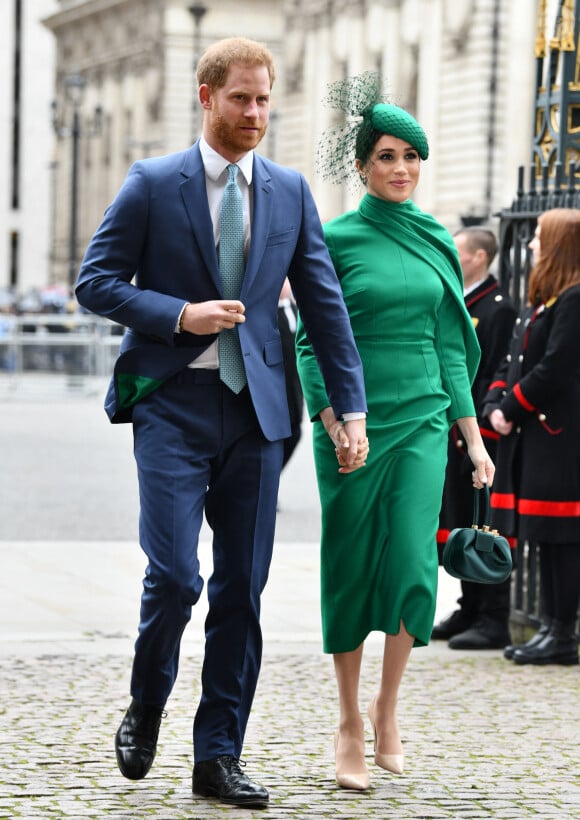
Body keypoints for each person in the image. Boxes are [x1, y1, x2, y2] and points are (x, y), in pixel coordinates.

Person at [75, 37, 368, 810]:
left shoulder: (290, 190)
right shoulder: (151, 184)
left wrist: (351, 407)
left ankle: (219, 755)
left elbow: (325, 306)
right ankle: (146, 703)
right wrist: (179, 314)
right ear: (207, 97)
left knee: (243, 590)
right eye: (241, 98)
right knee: (174, 578)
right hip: (172, 405)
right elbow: (95, 282)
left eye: (265, 98)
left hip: (258, 415)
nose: (256, 113)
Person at [295, 74, 495, 792]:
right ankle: (348, 718)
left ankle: (388, 707)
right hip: (350, 425)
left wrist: (472, 441)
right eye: (386, 156)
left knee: (412, 566)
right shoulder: (332, 239)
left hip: (423, 424)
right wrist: (330, 416)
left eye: (411, 156)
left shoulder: (437, 234)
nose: (401, 169)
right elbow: (310, 341)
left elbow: (449, 347)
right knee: (352, 564)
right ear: (361, 166)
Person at [483, 208, 580, 666]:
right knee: (542, 535)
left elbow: (556, 367)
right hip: (536, 439)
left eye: (540, 237)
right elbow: (513, 360)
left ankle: (562, 631)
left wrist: (511, 408)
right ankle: (548, 626)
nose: (532, 244)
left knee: (561, 537)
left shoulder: (575, 300)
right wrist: (496, 404)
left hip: (559, 441)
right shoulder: (547, 299)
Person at [432, 227, 517, 649]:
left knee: (484, 519)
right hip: (454, 428)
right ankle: (469, 605)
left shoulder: (498, 307)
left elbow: (488, 372)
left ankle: (492, 613)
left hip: (477, 433)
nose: (452, 254)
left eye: (459, 250)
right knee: (461, 518)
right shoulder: (463, 298)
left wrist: (473, 431)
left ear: (480, 258)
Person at [277, 278, 303, 469]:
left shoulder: (294, 309)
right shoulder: (267, 314)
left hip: (294, 392)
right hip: (276, 391)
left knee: (295, 434)